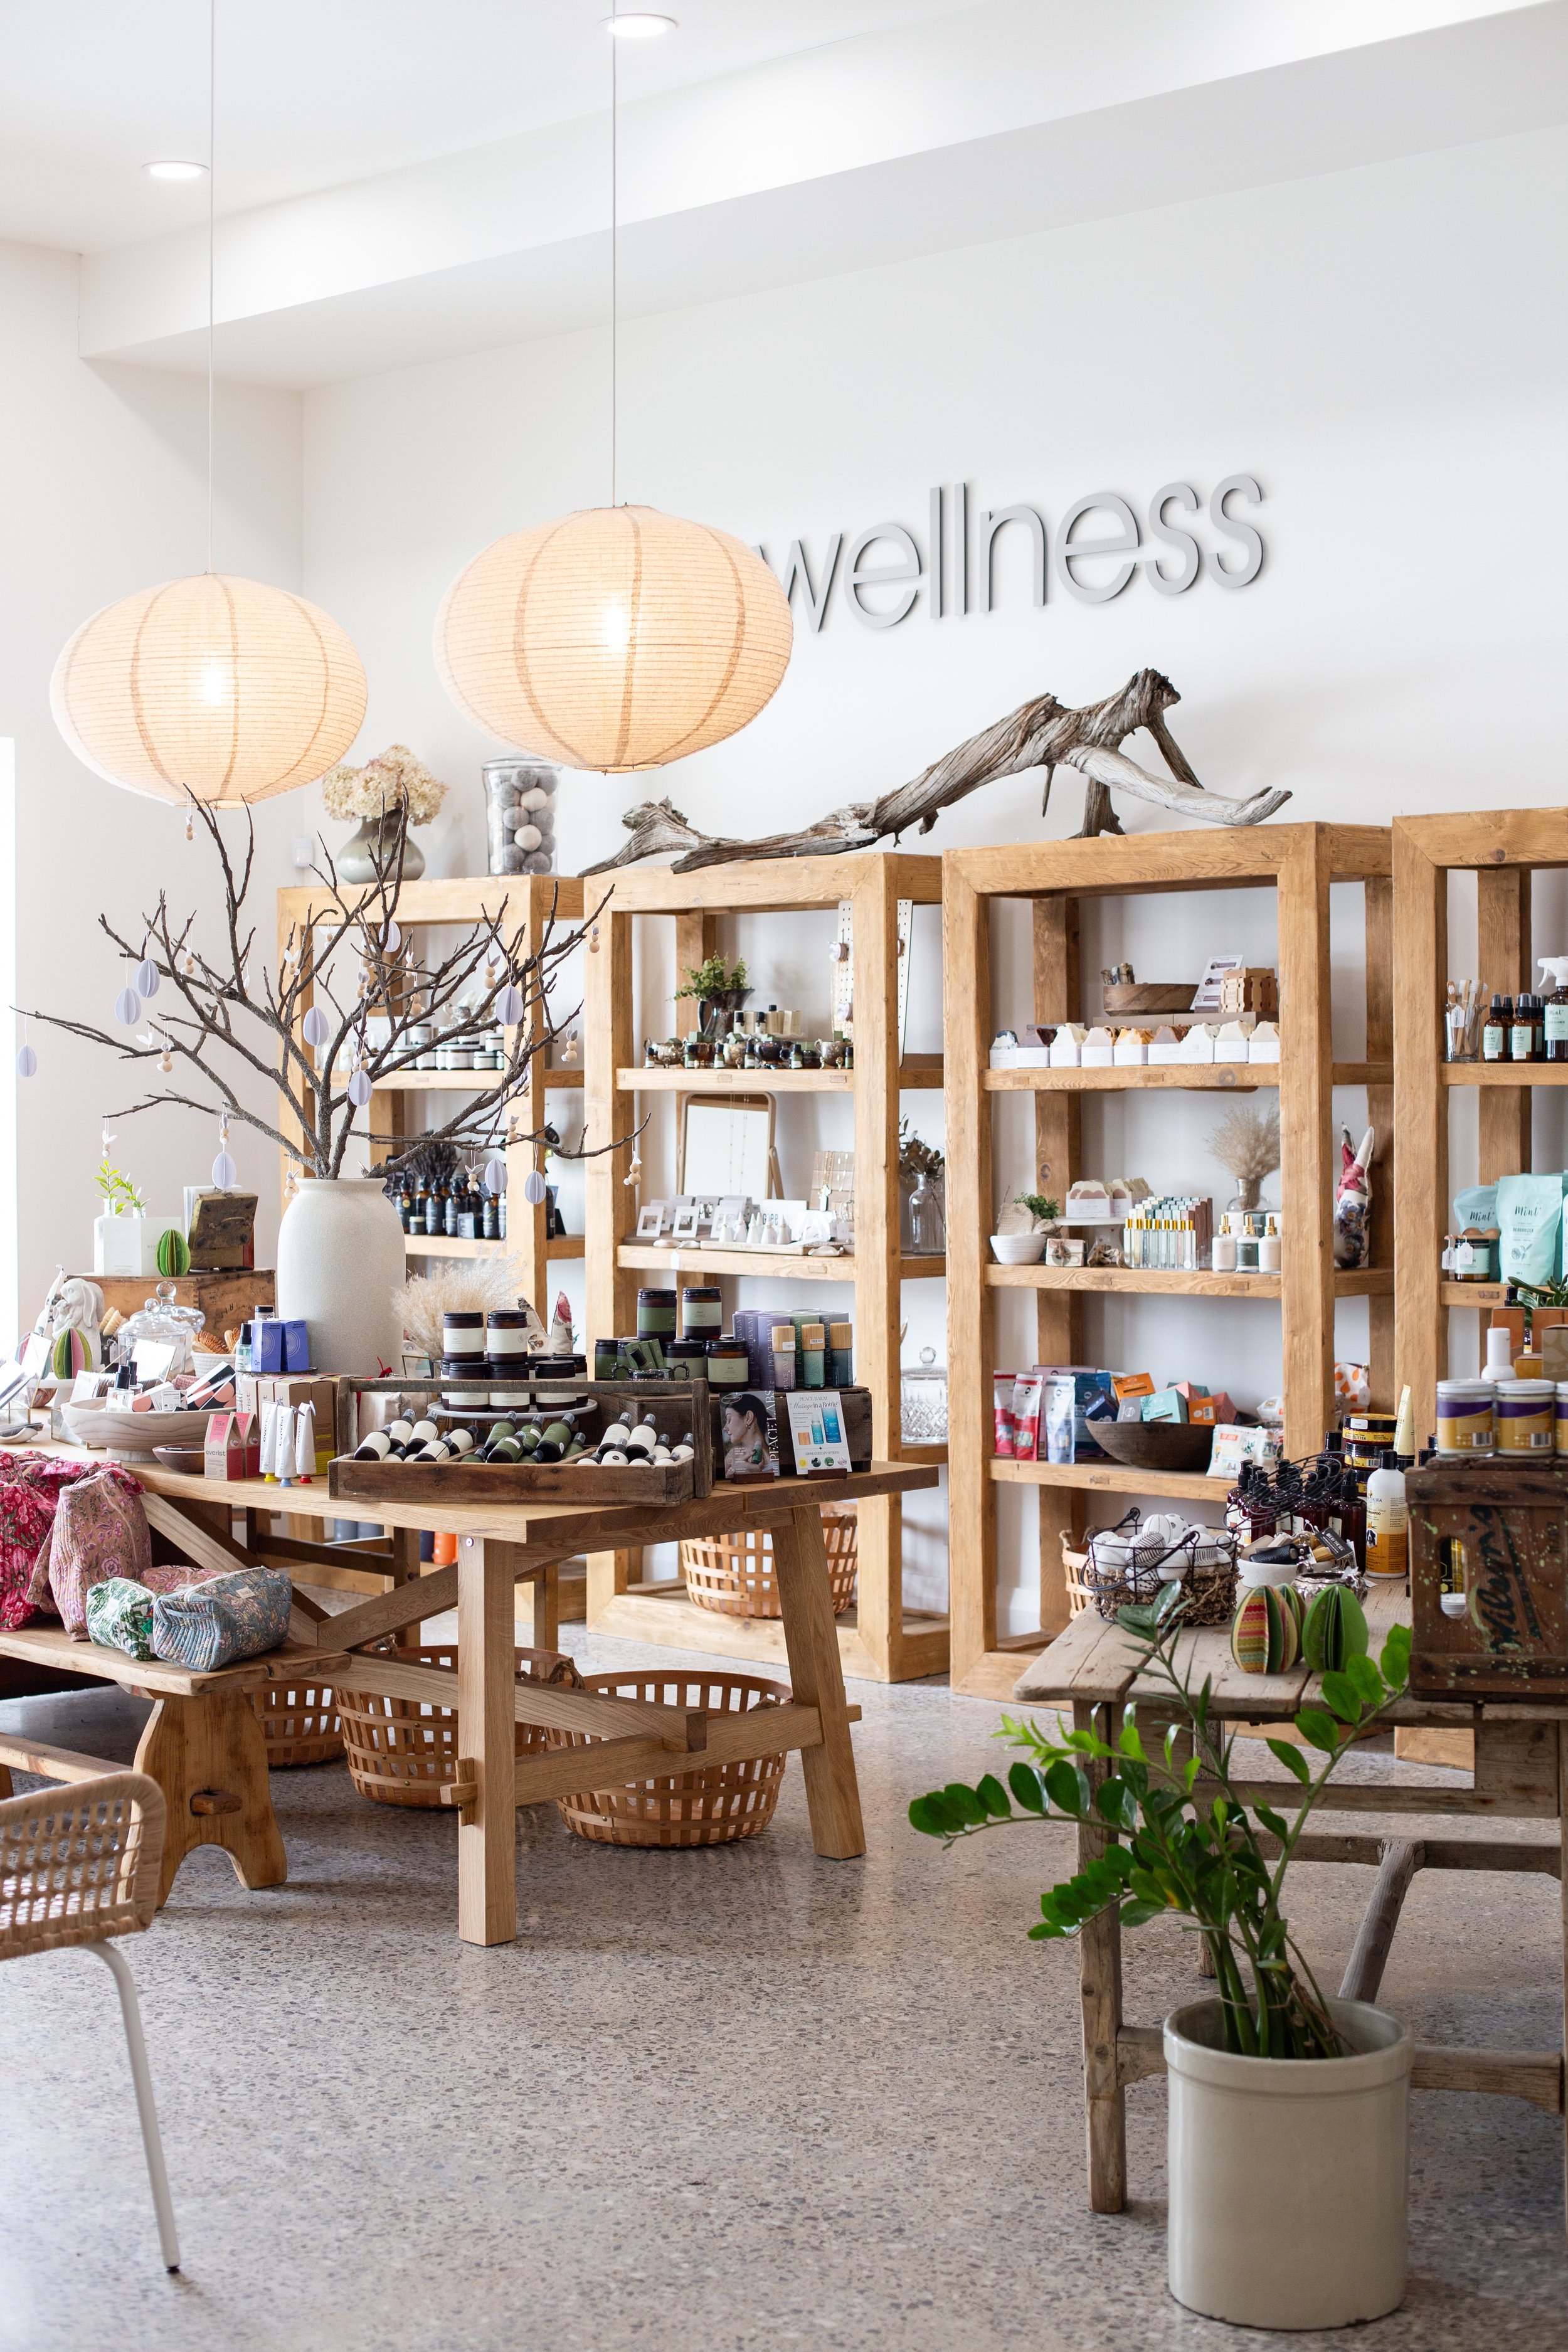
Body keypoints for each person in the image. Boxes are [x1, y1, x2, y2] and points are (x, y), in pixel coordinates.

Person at [722, 1392, 773, 1481]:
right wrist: (733, 1472)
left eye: (729, 1420)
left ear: (748, 1418)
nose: (725, 1428)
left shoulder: (774, 1460)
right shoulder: (733, 1454)